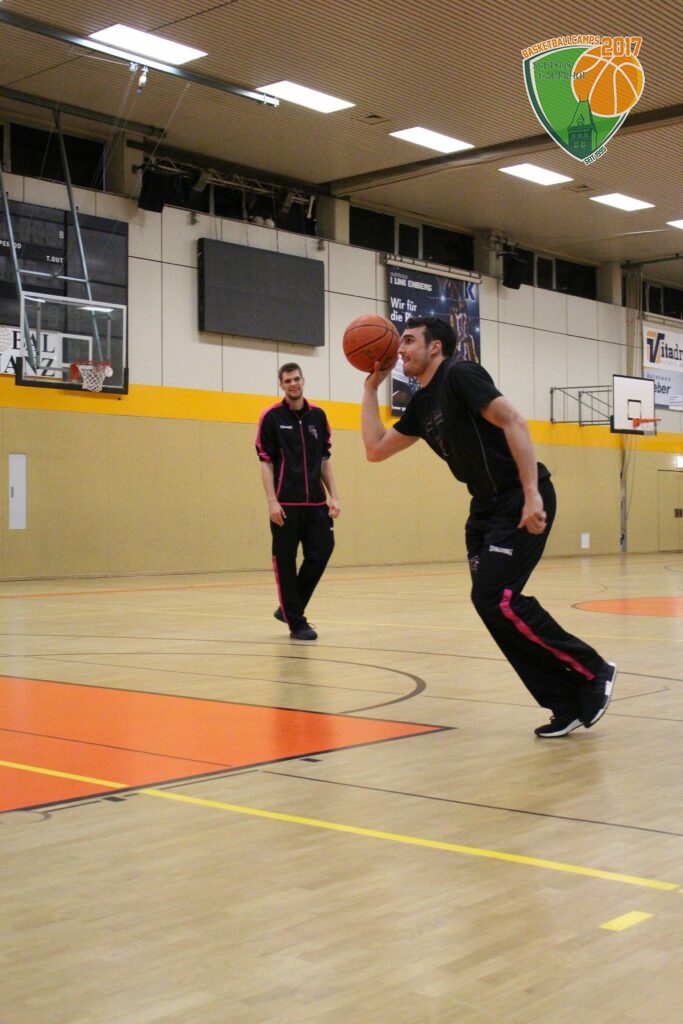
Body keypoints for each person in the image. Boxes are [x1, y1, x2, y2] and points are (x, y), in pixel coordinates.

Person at [361, 316, 616, 737]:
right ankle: (566, 701)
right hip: (484, 510)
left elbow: (514, 420)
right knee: (490, 604)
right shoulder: (422, 404)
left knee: (498, 597)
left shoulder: (461, 375)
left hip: (518, 497)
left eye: (408, 340)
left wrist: (532, 494)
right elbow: (374, 449)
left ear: (435, 347)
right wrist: (371, 388)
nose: (400, 349)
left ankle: (593, 671)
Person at [256, 362, 340, 640]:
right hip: (286, 505)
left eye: (296, 379)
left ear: (303, 381)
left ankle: (289, 609)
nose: (293, 384)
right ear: (281, 385)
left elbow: (324, 460)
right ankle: (297, 623)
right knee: (285, 562)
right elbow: (266, 462)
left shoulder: (318, 416)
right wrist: (272, 501)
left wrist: (334, 496)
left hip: (316, 504)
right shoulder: (271, 417)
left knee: (322, 551)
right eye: (287, 381)